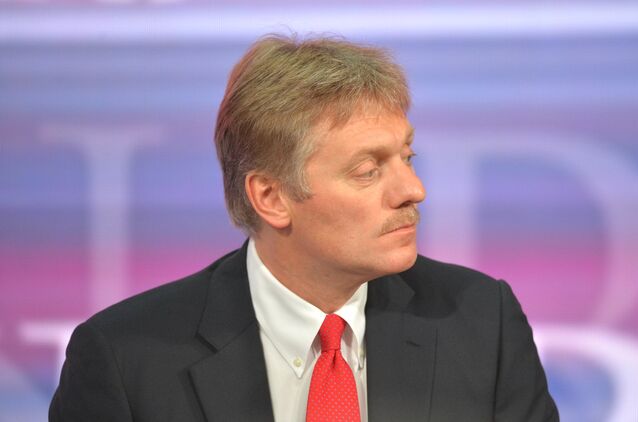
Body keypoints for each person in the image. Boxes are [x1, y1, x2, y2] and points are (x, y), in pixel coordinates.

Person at [49, 34, 558, 422]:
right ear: (271, 198)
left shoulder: (481, 321)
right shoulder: (125, 358)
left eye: (407, 157)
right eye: (368, 170)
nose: (413, 189)